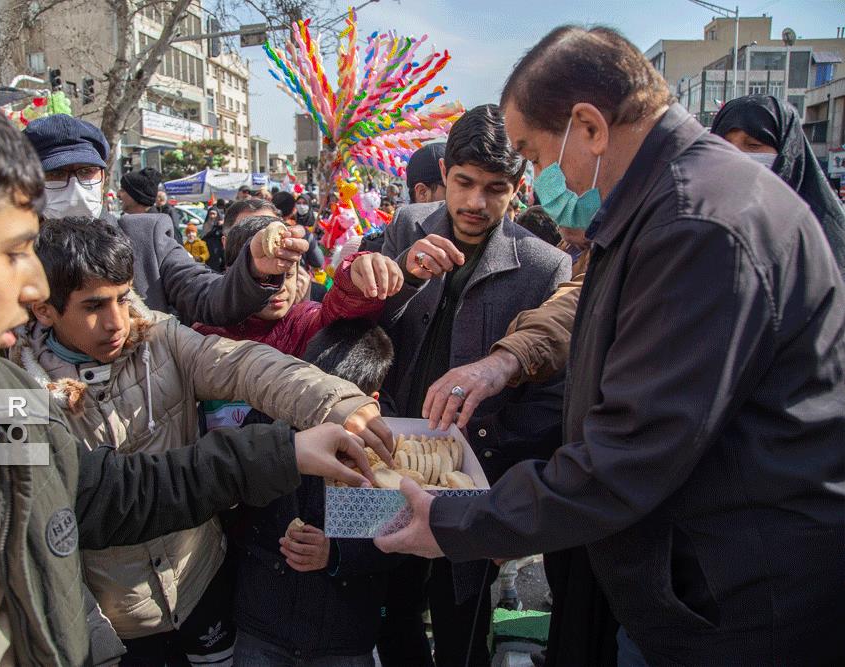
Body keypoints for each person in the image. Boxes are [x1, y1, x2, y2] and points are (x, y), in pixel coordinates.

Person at [0, 57, 378, 666]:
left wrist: (298, 438)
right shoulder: (12, 385)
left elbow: (101, 492)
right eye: (13, 252)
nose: (30, 288)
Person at [375, 26, 845, 667]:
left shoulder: (696, 225)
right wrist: (506, 359)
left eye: (534, 157)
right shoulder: (672, 205)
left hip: (730, 601)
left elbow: (627, 455)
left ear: (589, 129)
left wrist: (461, 522)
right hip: (702, 580)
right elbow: (579, 307)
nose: (540, 179)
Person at [12, 216, 394, 667]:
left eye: (122, 298)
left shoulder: (161, 338)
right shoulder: (17, 394)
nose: (116, 321)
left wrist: (337, 402)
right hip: (114, 618)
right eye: (93, 305)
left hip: (200, 583)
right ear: (43, 309)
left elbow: (245, 365)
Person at [376, 104, 571, 667]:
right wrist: (404, 277)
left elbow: (546, 406)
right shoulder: (410, 226)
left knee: (462, 629)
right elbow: (372, 331)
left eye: (495, 188)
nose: (475, 204)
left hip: (473, 481)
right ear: (445, 178)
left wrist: (499, 503)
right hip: (394, 461)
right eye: (463, 183)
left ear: (518, 188)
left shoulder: (545, 268)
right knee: (393, 614)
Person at [23, 115, 309, 324]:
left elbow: (207, 295)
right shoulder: (10, 258)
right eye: (56, 175)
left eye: (86, 172)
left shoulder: (146, 237)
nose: (74, 187)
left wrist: (254, 268)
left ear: (102, 177)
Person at [232, 320, 402, 666]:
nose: (321, 415)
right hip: (264, 624)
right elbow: (234, 510)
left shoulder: (393, 448)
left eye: (340, 410)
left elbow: (401, 537)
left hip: (343, 635)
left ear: (371, 402)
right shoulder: (265, 420)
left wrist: (336, 552)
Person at [195, 216, 404, 359]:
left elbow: (342, 308)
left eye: (287, 276)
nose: (278, 288)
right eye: (265, 278)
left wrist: (355, 274)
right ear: (234, 272)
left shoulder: (305, 321)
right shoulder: (204, 333)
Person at [710, 94, 845, 278]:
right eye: (722, 144)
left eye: (753, 145)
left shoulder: (825, 238)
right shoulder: (694, 224)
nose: (734, 155)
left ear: (786, 151)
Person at [274, 190, 324, 269]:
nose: (301, 206)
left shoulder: (317, 222)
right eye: (299, 203)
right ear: (294, 209)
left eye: (304, 203)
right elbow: (319, 261)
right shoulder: (300, 231)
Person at [202, 206, 226, 272]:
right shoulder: (206, 223)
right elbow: (204, 235)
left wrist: (220, 226)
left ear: (217, 215)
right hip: (208, 246)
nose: (212, 216)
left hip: (218, 247)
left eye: (214, 214)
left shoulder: (221, 223)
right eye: (210, 214)